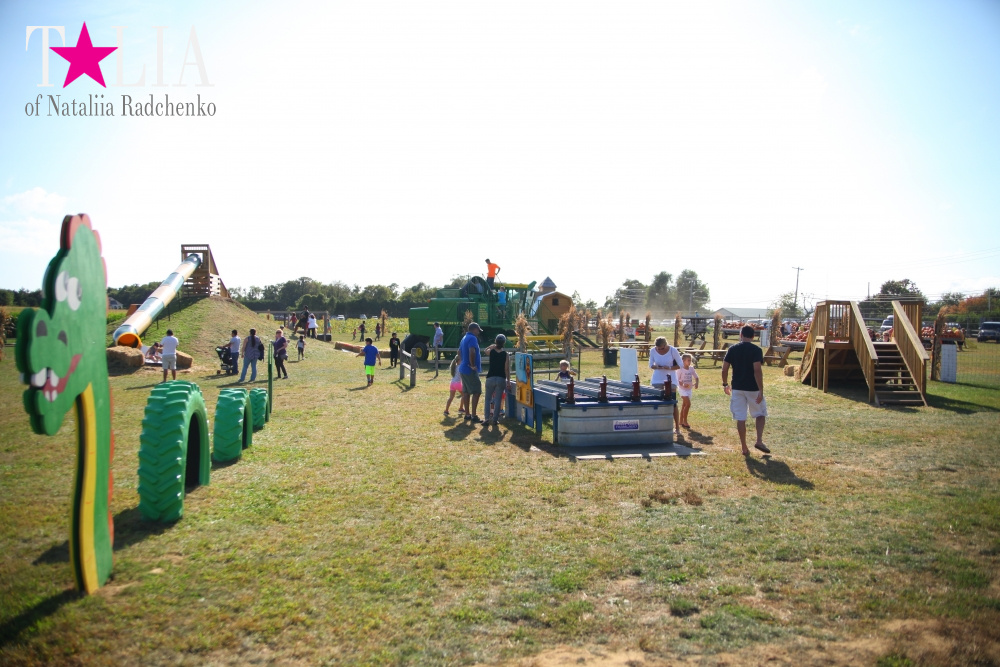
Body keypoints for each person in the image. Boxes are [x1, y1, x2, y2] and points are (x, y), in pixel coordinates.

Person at [722, 325, 770, 456]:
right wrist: (761, 390)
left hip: (737, 388)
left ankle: (744, 447)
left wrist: (725, 384)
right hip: (752, 388)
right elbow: (757, 370)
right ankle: (759, 441)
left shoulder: (732, 349)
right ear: (753, 336)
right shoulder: (756, 350)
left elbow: (724, 368)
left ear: (741, 334)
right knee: (760, 414)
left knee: (741, 418)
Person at [649, 336, 684, 435]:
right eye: (658, 349)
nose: (660, 350)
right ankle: (658, 426)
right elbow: (650, 364)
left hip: (671, 378)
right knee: (657, 402)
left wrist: (670, 367)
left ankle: (677, 427)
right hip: (657, 378)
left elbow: (680, 364)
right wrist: (656, 366)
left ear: (666, 345)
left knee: (672, 402)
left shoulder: (673, 350)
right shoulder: (652, 351)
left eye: (662, 348)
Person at [458, 322, 483, 423]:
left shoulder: (464, 338)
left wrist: (463, 361)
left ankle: (467, 414)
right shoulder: (472, 338)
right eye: (478, 330)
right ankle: (473, 415)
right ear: (474, 329)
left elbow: (459, 352)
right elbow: (472, 351)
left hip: (463, 368)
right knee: (477, 391)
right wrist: (472, 365)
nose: (478, 332)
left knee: (466, 392)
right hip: (469, 370)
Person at [483, 334, 510, 425]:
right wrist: (508, 381)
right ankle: (495, 419)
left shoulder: (492, 352)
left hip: (490, 377)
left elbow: (485, 351)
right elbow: (507, 369)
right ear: (504, 343)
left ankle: (486, 418)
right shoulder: (506, 354)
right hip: (501, 378)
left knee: (488, 399)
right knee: (498, 399)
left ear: (496, 341)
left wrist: (491, 346)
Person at [676, 353, 700, 429]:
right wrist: (683, 384)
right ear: (683, 361)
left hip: (689, 389)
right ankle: (685, 421)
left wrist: (696, 383)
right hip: (682, 389)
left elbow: (696, 377)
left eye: (690, 360)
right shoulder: (680, 369)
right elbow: (677, 380)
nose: (690, 362)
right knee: (688, 404)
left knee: (684, 405)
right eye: (688, 360)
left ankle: (680, 421)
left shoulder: (691, 369)